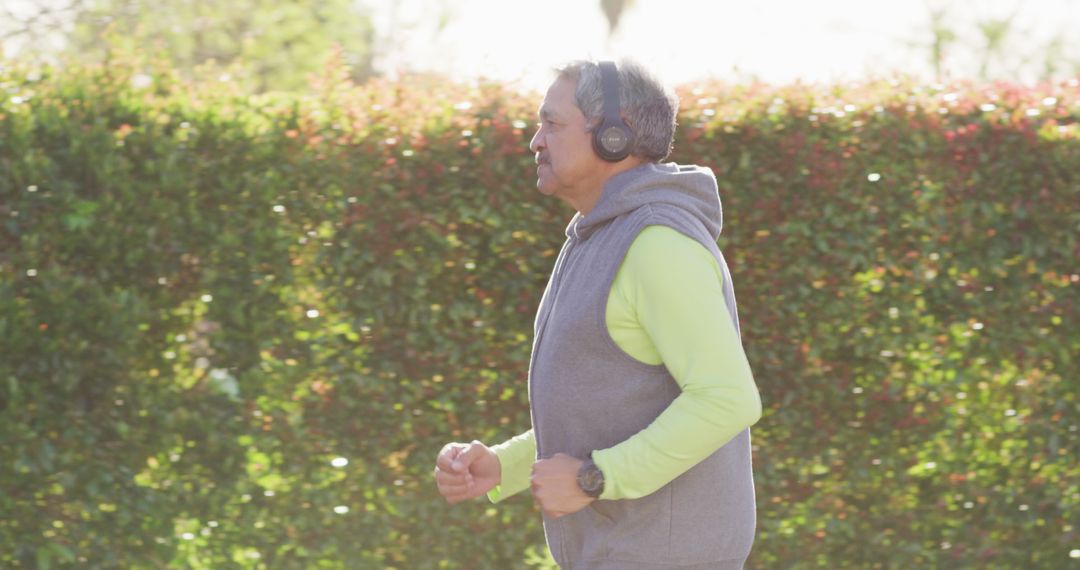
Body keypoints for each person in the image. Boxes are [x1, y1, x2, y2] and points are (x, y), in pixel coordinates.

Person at [434, 59, 763, 569]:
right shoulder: (597, 236)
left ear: (613, 136)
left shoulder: (657, 244)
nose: (535, 141)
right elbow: (608, 405)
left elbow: (727, 399)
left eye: (553, 123)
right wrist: (505, 465)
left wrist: (595, 478)